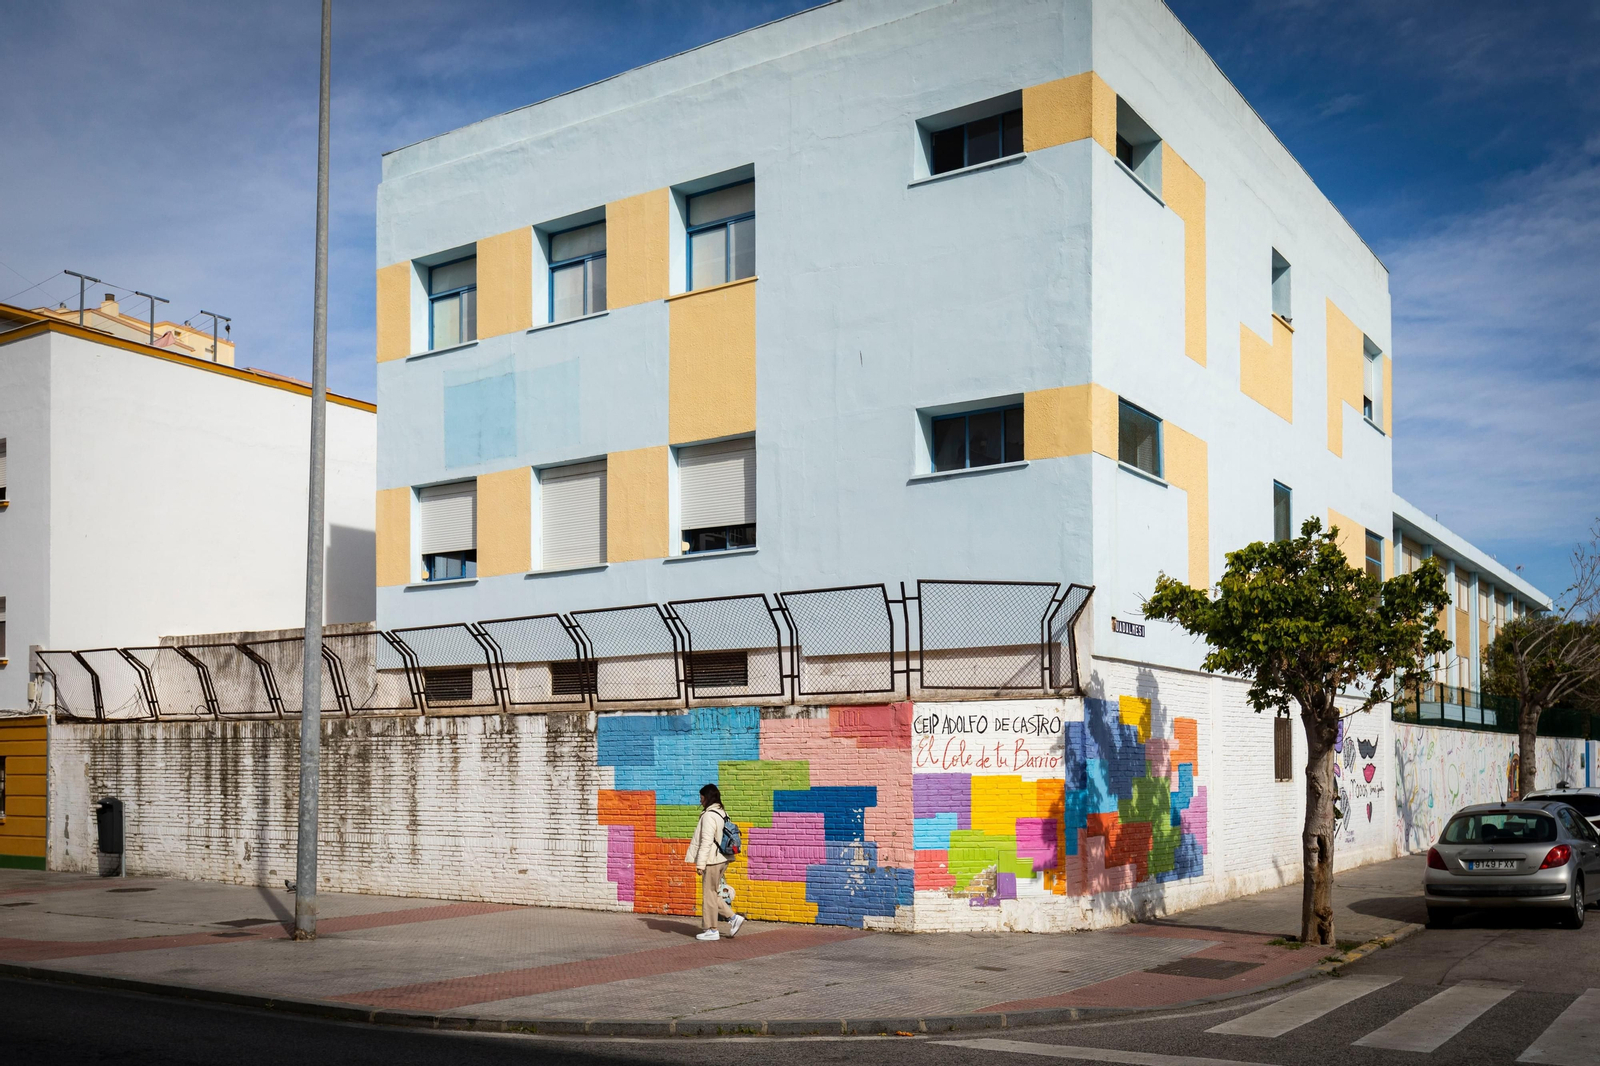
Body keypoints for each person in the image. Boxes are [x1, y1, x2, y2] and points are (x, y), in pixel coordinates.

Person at [685, 783, 744, 941]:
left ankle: (712, 929)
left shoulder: (709, 815)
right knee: (712, 893)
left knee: (708, 894)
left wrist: (700, 864)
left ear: (707, 797)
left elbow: (706, 841)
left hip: (712, 859)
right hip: (722, 858)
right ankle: (733, 918)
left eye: (702, 797)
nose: (700, 800)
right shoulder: (722, 813)